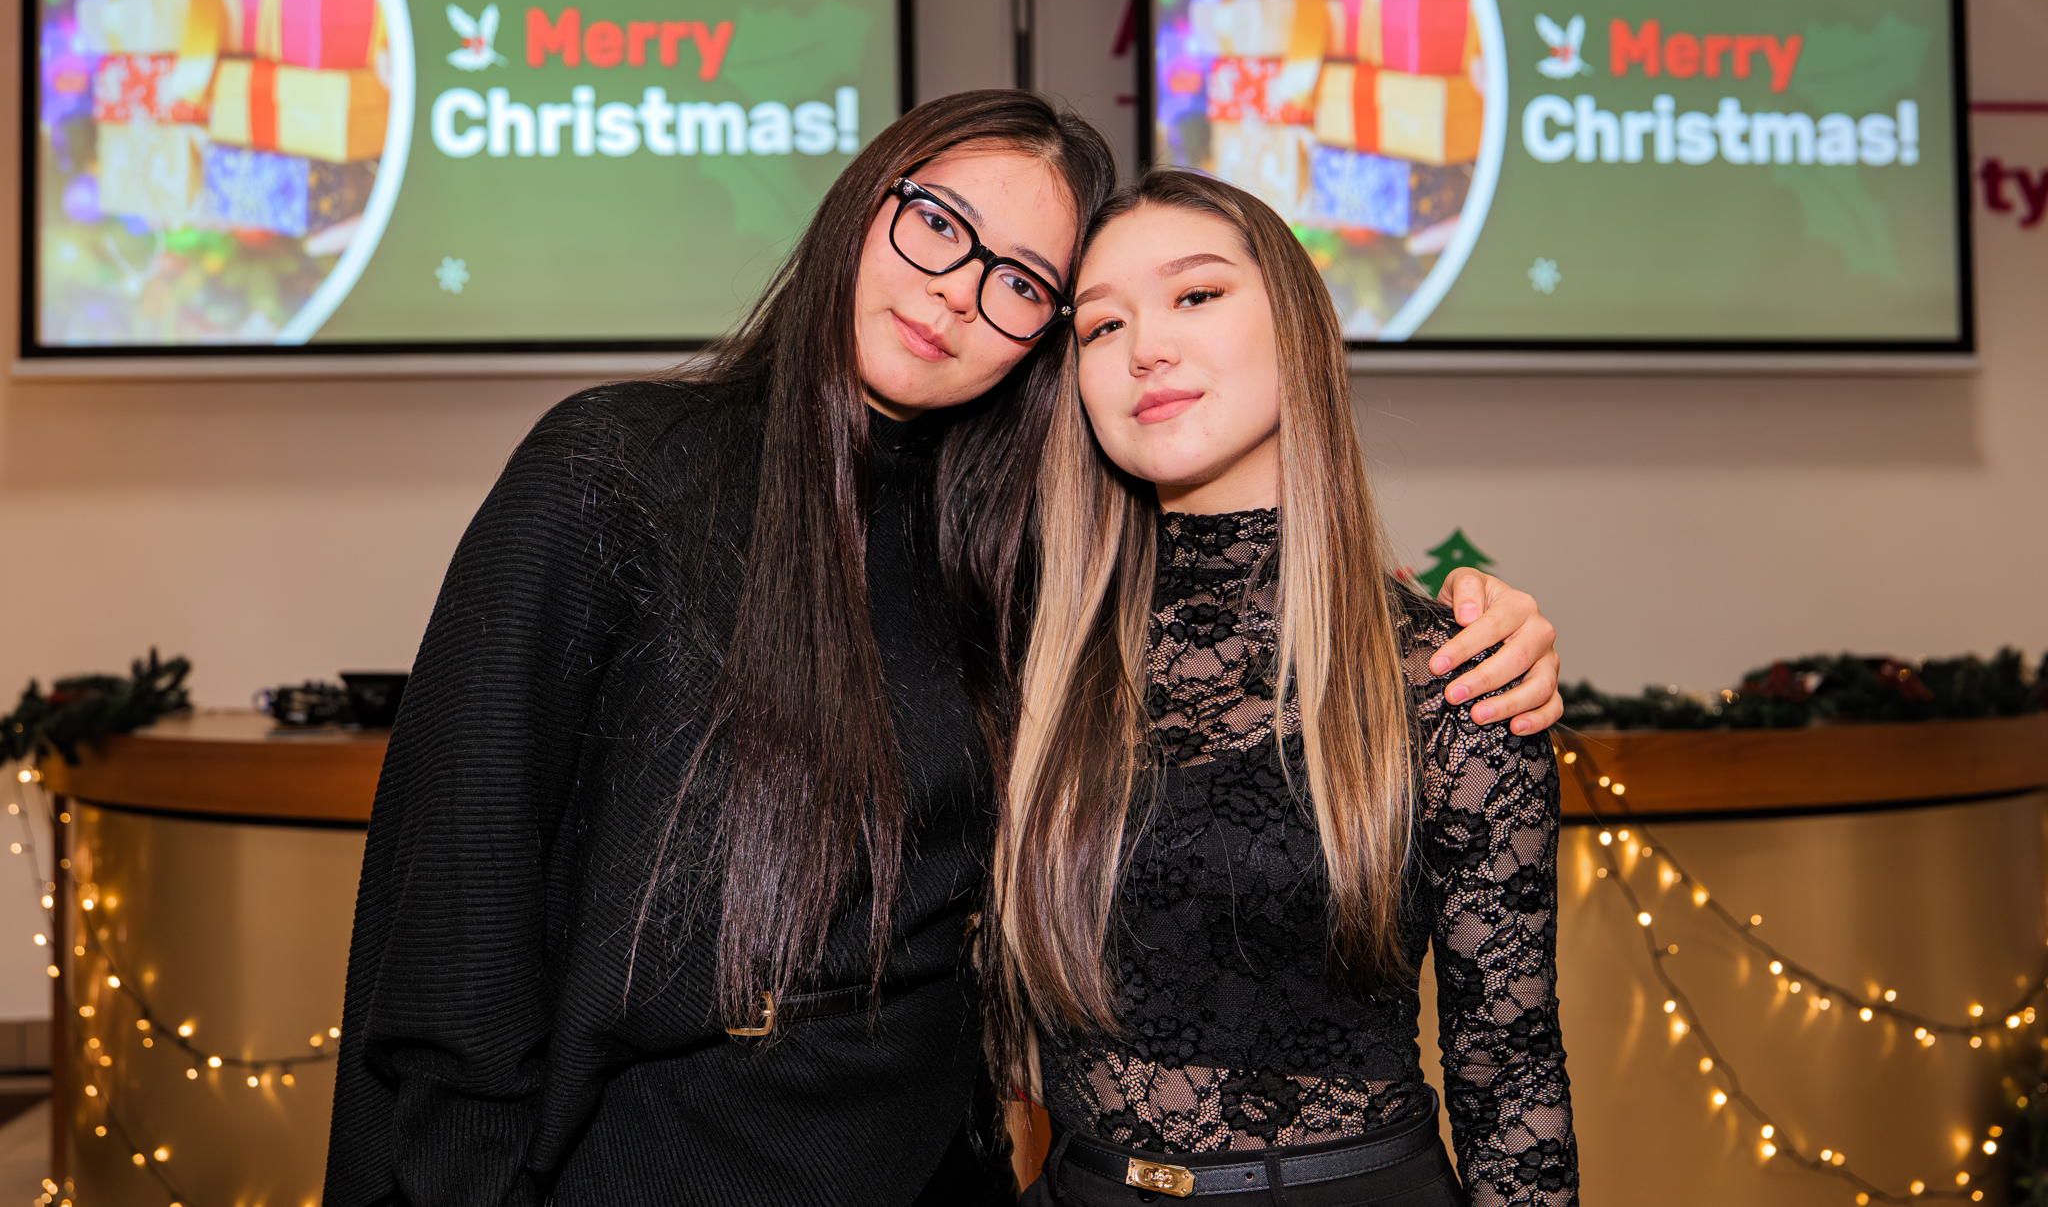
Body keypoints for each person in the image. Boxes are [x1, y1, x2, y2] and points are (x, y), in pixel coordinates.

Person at [323, 92, 1565, 1207]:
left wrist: (1461, 618)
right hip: (659, 1161)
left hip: (936, 1166)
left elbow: (1258, 612)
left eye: (1021, 282)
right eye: (936, 224)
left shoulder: (1004, 559)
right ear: (862, 204)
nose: (956, 291)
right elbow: (455, 910)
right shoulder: (615, 471)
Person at [997, 170, 1576, 1206]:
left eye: (1196, 294)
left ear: (1299, 330)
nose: (1145, 347)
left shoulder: (1450, 673)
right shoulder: (1026, 661)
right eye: (1100, 325)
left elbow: (1509, 1073)